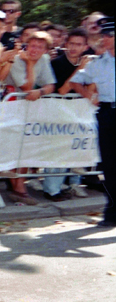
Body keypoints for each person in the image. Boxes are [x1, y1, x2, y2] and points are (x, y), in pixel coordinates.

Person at [69, 18, 115, 227]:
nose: (105, 39)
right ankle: (112, 211)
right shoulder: (98, 63)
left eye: (109, 35)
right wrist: (89, 95)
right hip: (106, 113)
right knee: (109, 166)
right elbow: (76, 81)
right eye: (104, 35)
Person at [4, 31, 57, 205]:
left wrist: (40, 91)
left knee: (26, 146)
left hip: (29, 109)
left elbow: (50, 85)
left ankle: (19, 186)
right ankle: (17, 187)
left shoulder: (44, 60)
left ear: (46, 50)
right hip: (10, 106)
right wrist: (28, 64)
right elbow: (26, 85)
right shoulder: (19, 59)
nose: (35, 50)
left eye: (40, 47)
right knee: (12, 147)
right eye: (32, 45)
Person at [40, 28, 92, 201]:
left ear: (85, 47)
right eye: (71, 44)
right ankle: (51, 189)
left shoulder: (90, 63)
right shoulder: (57, 64)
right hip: (59, 111)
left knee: (74, 149)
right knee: (58, 151)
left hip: (79, 113)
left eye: (78, 44)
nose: (74, 48)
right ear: (66, 44)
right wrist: (80, 70)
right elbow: (62, 90)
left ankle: (71, 185)